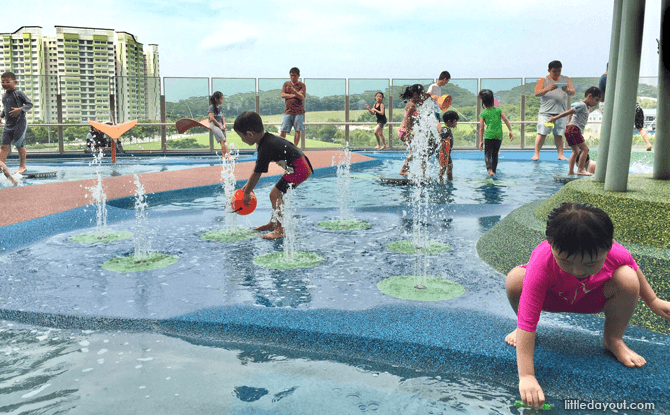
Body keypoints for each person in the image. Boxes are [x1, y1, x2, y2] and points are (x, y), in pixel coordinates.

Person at [504, 202, 670, 409]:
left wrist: (653, 301)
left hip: (591, 299)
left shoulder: (615, 252)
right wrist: (527, 376)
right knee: (515, 279)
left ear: (609, 246)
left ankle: (613, 339)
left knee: (627, 278)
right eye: (565, 261)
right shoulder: (543, 259)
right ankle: (517, 328)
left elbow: (634, 269)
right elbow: (529, 320)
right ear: (551, 244)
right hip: (553, 298)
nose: (578, 270)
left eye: (590, 263)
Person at [234, 111, 313, 239]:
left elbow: (257, 173)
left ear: (250, 134)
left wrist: (247, 192)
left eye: (241, 136)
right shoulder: (266, 140)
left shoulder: (265, 146)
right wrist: (248, 186)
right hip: (299, 167)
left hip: (299, 169)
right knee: (277, 195)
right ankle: (274, 223)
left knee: (275, 194)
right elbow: (256, 172)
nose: (241, 140)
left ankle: (280, 230)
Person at [548, 87, 602, 176]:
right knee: (585, 149)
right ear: (589, 96)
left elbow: (572, 113)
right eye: (596, 100)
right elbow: (569, 111)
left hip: (570, 129)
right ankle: (580, 169)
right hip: (574, 129)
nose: (596, 103)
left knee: (576, 151)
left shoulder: (584, 107)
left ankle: (570, 171)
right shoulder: (582, 105)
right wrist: (555, 118)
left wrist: (569, 123)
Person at [531, 61, 575, 161]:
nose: (557, 73)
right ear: (549, 70)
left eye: (559, 71)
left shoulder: (566, 79)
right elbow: (537, 93)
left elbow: (572, 92)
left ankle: (560, 154)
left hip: (560, 113)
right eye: (554, 71)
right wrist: (547, 89)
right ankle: (536, 154)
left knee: (559, 134)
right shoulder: (543, 80)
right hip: (546, 113)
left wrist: (566, 90)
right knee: (542, 133)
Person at [0, 72, 33, 175]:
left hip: (19, 123)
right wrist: (1, 116)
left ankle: (22, 166)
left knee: (19, 145)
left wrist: (20, 109)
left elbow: (30, 104)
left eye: (7, 82)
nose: (4, 84)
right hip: (8, 125)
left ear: (15, 82)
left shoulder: (19, 93)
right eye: (2, 82)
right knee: (3, 146)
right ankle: (1, 166)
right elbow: (5, 109)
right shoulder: (4, 96)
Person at [478, 89, 513, 176]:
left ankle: (489, 170)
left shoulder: (483, 113)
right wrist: (510, 130)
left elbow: (481, 128)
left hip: (489, 136)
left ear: (483, 102)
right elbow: (506, 120)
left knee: (487, 155)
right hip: (498, 136)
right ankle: (494, 171)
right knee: (495, 155)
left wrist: (481, 141)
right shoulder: (499, 110)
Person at [398, 84, 426, 175]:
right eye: (421, 94)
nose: (422, 96)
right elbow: (406, 118)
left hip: (405, 131)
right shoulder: (412, 105)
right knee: (414, 151)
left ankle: (410, 170)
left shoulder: (412, 104)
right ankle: (403, 170)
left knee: (416, 150)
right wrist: (407, 132)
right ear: (415, 94)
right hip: (405, 131)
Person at [280, 67, 306, 146]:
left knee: (297, 130)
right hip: (288, 111)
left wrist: (294, 91)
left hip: (299, 112)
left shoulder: (302, 85)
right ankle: (280, 146)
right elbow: (282, 94)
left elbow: (302, 97)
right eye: (291, 75)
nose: (292, 77)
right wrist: (294, 95)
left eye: (294, 75)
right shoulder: (286, 84)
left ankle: (295, 147)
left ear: (298, 75)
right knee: (283, 130)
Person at [208, 91, 232, 158]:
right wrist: (220, 126)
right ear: (216, 99)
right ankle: (229, 156)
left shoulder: (220, 107)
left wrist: (224, 125)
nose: (222, 100)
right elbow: (212, 118)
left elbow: (222, 117)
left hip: (221, 124)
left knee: (223, 142)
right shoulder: (211, 107)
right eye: (221, 99)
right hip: (214, 125)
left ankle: (224, 157)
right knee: (223, 139)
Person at [438, 110, 458, 182]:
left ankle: (449, 179)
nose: (456, 123)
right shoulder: (445, 130)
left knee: (449, 166)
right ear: (449, 121)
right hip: (443, 153)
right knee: (444, 167)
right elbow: (441, 141)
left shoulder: (447, 129)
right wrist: (444, 153)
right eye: (455, 121)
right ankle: (440, 179)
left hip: (446, 152)